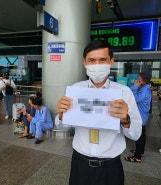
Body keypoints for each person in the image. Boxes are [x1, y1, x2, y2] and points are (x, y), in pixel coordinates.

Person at [56, 40, 142, 185]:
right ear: (85, 63)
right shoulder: (75, 90)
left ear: (111, 62)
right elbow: (61, 127)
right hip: (79, 164)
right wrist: (61, 115)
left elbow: (136, 134)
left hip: (111, 168)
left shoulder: (123, 93)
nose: (97, 65)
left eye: (102, 60)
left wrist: (126, 121)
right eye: (92, 60)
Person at [124, 71, 152, 163]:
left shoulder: (145, 90)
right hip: (142, 116)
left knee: (139, 135)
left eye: (140, 77)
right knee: (142, 135)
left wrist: (135, 87)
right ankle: (140, 151)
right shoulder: (144, 88)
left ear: (144, 80)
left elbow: (135, 99)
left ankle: (137, 157)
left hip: (141, 117)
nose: (138, 79)